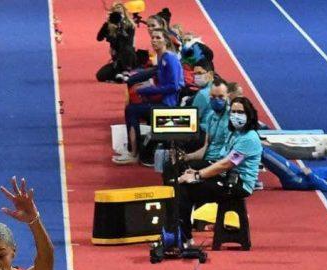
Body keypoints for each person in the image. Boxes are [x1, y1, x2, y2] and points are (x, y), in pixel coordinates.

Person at [176, 96, 263, 245]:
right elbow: (221, 160)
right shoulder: (234, 132)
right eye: (233, 111)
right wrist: (195, 171)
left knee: (185, 189)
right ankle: (182, 230)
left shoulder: (249, 138)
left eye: (240, 112)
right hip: (228, 175)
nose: (236, 115)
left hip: (239, 184)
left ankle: (185, 238)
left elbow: (227, 164)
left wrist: (198, 175)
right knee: (187, 170)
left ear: (249, 115)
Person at [114, 28, 184, 164]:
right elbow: (154, 75)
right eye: (153, 38)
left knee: (131, 110)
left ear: (166, 41)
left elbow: (175, 86)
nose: (154, 40)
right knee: (132, 108)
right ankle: (133, 150)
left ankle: (133, 153)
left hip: (169, 105)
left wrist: (147, 90)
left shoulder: (170, 58)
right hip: (162, 101)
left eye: (158, 38)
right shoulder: (161, 58)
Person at [96, 4, 136, 82]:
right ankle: (120, 75)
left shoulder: (130, 25)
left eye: (120, 13)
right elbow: (99, 38)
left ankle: (126, 72)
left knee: (127, 49)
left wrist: (120, 29)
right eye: (116, 14)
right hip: (117, 59)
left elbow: (128, 42)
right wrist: (106, 24)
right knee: (100, 76)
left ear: (124, 13)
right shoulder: (109, 25)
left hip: (128, 58)